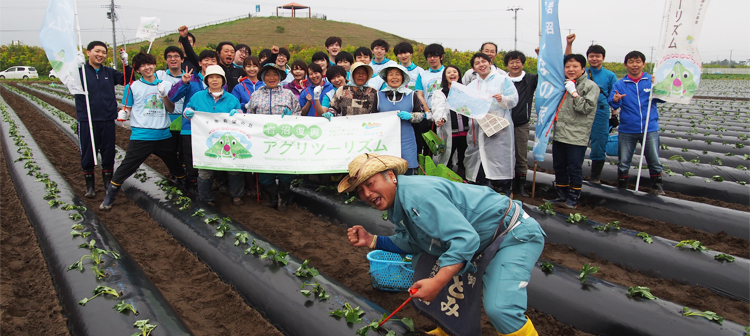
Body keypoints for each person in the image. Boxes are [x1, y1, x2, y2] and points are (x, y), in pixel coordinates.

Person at [340, 153, 544, 336]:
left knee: (501, 308)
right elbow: (413, 243)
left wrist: (437, 282)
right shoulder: (399, 203)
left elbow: (465, 240)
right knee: (434, 265)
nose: (366, 193)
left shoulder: (418, 197)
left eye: (371, 183)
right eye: (360, 190)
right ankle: (449, 329)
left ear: (391, 176)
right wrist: (372, 240)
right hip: (482, 240)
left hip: (512, 234)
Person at [100, 52, 185, 210]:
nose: (147, 67)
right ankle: (110, 194)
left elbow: (171, 109)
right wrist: (123, 113)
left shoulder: (164, 85)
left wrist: (164, 95)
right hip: (142, 135)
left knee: (174, 162)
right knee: (128, 165)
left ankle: (185, 184)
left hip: (163, 133)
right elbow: (128, 107)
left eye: (150, 64)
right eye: (142, 65)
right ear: (138, 69)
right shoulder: (132, 87)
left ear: (154, 65)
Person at [179, 65, 244, 206]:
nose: (215, 80)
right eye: (211, 77)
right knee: (204, 169)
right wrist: (188, 112)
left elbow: (239, 114)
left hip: (227, 139)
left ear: (223, 80)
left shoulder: (231, 99)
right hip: (204, 139)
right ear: (207, 80)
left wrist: (238, 114)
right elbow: (188, 110)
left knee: (233, 168)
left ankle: (236, 195)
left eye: (218, 77)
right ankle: (207, 198)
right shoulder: (197, 97)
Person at [75, 41, 132, 198]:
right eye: (97, 51)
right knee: (88, 152)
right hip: (87, 119)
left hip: (107, 118)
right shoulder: (81, 72)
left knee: (108, 152)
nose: (100, 55)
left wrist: (125, 64)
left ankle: (108, 183)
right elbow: (67, 81)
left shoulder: (108, 72)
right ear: (88, 53)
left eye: (103, 52)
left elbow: (127, 79)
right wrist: (76, 68)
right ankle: (90, 187)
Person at [608, 51, 665, 195]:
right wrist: (616, 100)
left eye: (638, 61)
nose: (635, 65)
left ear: (643, 64)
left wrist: (659, 87)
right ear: (626, 65)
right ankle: (622, 187)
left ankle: (657, 186)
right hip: (628, 129)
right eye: (631, 62)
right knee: (624, 161)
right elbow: (613, 104)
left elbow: (663, 99)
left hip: (649, 128)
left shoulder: (651, 81)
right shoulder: (620, 84)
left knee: (654, 159)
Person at [546, 54, 598, 209]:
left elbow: (586, 108)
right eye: (567, 66)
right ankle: (561, 194)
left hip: (577, 135)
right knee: (559, 165)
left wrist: (574, 93)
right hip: (560, 133)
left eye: (575, 66)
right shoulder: (563, 84)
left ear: (583, 68)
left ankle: (574, 197)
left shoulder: (590, 86)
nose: (571, 69)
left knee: (574, 167)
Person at [247, 60, 302, 208]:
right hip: (263, 142)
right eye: (268, 75)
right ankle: (272, 198)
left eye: (275, 74)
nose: (271, 78)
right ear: (263, 77)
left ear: (280, 77)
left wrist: (291, 116)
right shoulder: (256, 95)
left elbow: (299, 113)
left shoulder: (288, 94)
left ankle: (283, 198)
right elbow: (249, 116)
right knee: (265, 174)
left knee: (286, 172)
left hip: (284, 141)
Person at [565, 34, 619, 184]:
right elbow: (569, 60)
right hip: (580, 110)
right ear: (587, 58)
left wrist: (614, 114)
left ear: (603, 58)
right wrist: (569, 44)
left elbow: (614, 95)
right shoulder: (581, 71)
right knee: (577, 141)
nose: (594, 59)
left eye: (598, 56)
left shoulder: (610, 75)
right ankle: (575, 175)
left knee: (599, 143)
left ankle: (595, 178)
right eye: (591, 56)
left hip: (600, 112)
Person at [464, 53, 519, 196]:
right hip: (479, 126)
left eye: (484, 61)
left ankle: (505, 188)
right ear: (473, 68)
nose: (481, 64)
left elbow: (513, 100)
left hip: (498, 127)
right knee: (479, 158)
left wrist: (502, 99)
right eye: (477, 63)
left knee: (500, 157)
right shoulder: (472, 85)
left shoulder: (502, 80)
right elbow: (465, 105)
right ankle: (482, 187)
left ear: (490, 63)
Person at [168, 49, 220, 193]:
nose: (209, 63)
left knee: (210, 157)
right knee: (190, 160)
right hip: (190, 128)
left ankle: (208, 187)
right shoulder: (191, 79)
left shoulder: (220, 82)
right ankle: (192, 187)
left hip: (212, 130)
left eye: (213, 60)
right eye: (206, 59)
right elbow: (172, 97)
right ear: (199, 62)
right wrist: (183, 83)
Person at [373, 64, 425, 174]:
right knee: (386, 171)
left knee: (407, 170)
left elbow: (421, 115)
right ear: (386, 78)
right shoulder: (378, 95)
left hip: (406, 141)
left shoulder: (411, 95)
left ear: (403, 77)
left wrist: (410, 116)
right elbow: (372, 118)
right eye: (390, 74)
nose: (394, 77)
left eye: (397, 74)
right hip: (385, 141)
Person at [504, 51, 539, 197]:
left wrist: (541, 56)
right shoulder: (502, 80)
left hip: (521, 123)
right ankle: (507, 185)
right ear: (507, 65)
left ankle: (521, 186)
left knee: (521, 154)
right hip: (504, 123)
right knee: (505, 154)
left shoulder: (530, 79)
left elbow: (546, 74)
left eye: (518, 62)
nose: (515, 65)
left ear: (523, 64)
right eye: (511, 62)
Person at [431, 65, 469, 178]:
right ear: (444, 76)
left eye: (454, 71)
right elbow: (439, 107)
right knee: (446, 157)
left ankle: (463, 180)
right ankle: (445, 180)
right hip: (450, 132)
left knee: (464, 159)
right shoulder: (441, 92)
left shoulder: (465, 91)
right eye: (448, 72)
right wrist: (441, 118)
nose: (452, 74)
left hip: (466, 131)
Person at [156, 46, 188, 168]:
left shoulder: (189, 77)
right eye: (169, 56)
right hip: (167, 119)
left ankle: (184, 175)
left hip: (184, 119)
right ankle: (176, 174)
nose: (173, 59)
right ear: (166, 60)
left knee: (184, 151)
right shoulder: (160, 76)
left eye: (176, 56)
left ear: (182, 60)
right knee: (169, 150)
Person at [414, 44, 445, 155]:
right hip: (428, 114)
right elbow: (419, 94)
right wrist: (427, 110)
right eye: (429, 56)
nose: (432, 59)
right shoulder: (422, 75)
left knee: (444, 144)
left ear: (441, 57)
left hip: (444, 115)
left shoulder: (447, 72)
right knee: (427, 145)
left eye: (435, 56)